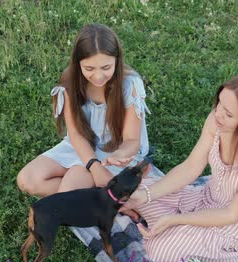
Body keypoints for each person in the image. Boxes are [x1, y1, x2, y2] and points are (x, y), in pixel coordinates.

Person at [122, 72, 238, 262]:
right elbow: (191, 167)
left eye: (228, 113)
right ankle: (187, 239)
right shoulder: (217, 120)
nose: (218, 113)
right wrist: (145, 195)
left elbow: (231, 214)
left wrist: (174, 220)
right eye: (219, 103)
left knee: (159, 249)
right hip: (208, 198)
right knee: (137, 189)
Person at [17, 24, 151, 198]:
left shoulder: (129, 84)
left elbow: (132, 140)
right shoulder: (70, 83)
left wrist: (120, 155)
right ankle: (103, 194)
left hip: (113, 151)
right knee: (27, 180)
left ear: (117, 61)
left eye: (106, 67)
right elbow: (76, 135)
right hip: (81, 145)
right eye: (89, 69)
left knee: (68, 192)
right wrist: (95, 168)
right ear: (78, 62)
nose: (98, 76)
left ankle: (84, 189)